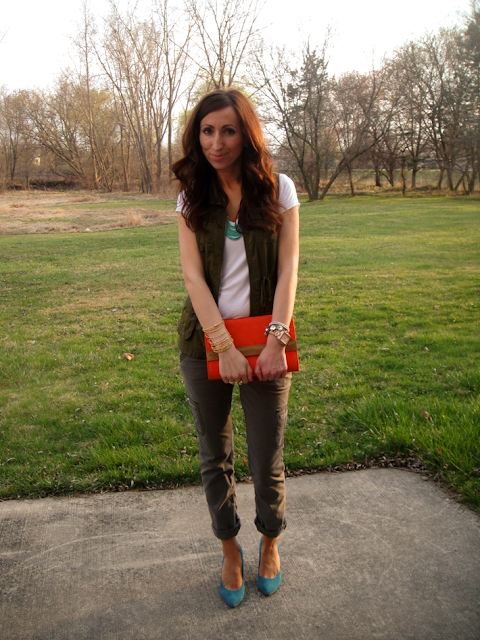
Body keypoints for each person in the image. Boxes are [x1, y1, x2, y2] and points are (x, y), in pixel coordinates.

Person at [171, 88, 300, 607]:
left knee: (266, 456)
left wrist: (275, 340)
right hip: (204, 345)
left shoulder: (279, 189)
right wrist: (222, 345)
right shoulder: (190, 197)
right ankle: (229, 549)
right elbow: (192, 277)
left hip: (269, 344)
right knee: (214, 456)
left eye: (227, 130)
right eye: (207, 131)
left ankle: (270, 543)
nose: (216, 142)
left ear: (246, 134)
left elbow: (289, 270)